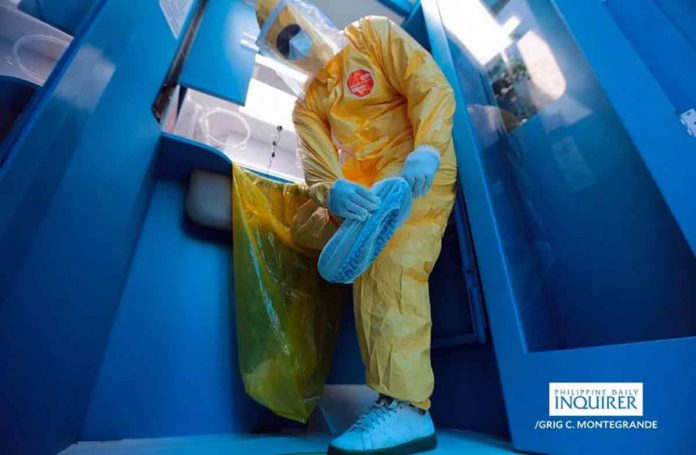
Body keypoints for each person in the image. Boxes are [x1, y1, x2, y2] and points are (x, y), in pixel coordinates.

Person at [255, 1, 457, 454]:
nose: (296, 45)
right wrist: (333, 192)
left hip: (415, 170)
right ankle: (353, 239)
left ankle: (407, 408)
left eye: (294, 31)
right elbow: (318, 169)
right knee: (309, 223)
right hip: (368, 187)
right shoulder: (307, 104)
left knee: (391, 263)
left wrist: (427, 147)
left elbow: (429, 86)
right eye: (283, 44)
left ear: (307, 16)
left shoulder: (374, 34)